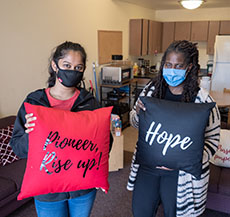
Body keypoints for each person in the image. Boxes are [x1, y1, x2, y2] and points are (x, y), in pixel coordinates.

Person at [10, 41, 113, 217]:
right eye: (67, 65)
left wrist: (97, 164)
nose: (72, 71)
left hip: (83, 188)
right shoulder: (35, 102)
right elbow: (18, 148)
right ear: (54, 65)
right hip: (48, 192)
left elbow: (105, 144)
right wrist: (31, 134)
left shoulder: (89, 102)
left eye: (78, 67)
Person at [127, 40, 220, 217]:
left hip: (181, 174)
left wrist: (189, 159)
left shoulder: (203, 101)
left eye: (178, 66)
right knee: (140, 211)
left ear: (189, 67)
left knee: (176, 213)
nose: (172, 70)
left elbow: (213, 140)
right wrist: (137, 113)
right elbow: (134, 123)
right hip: (148, 168)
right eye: (168, 64)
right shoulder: (151, 91)